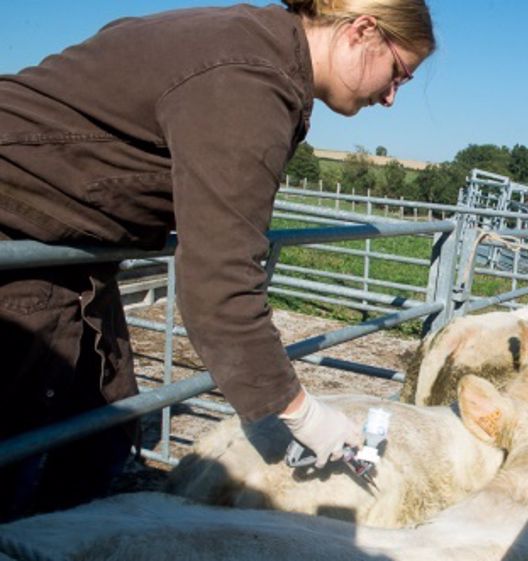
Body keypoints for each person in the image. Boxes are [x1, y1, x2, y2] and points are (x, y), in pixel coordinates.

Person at [0, 0, 435, 519]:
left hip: (66, 249)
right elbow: (220, 279)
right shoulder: (248, 78)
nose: (389, 97)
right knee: (19, 437)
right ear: (362, 31)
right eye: (398, 74)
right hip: (19, 237)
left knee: (103, 433)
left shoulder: (253, 48)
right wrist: (299, 412)